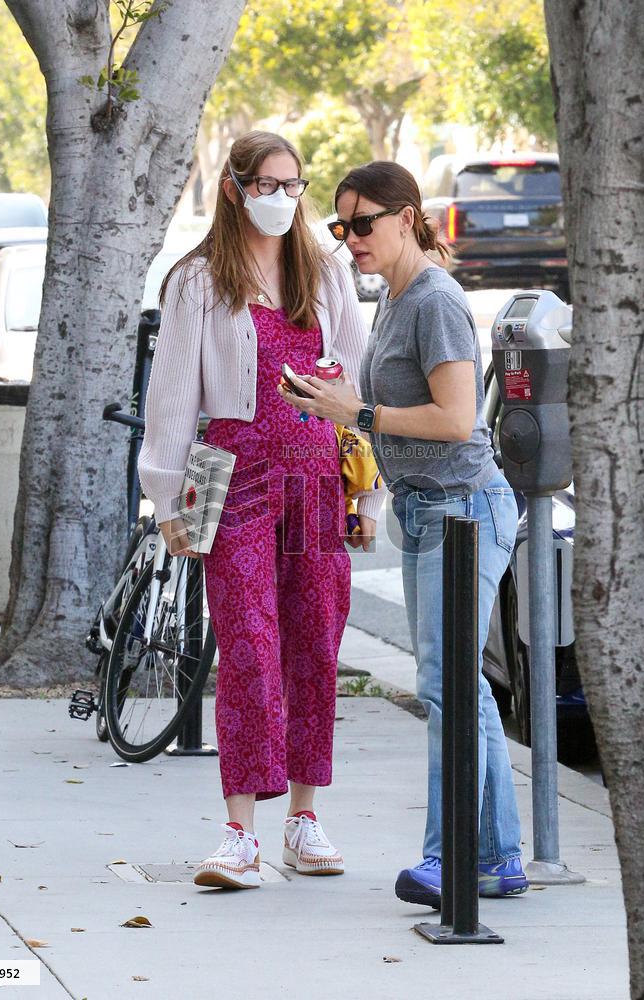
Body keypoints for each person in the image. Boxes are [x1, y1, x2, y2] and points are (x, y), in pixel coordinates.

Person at [137, 132, 385, 891]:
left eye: (293, 184)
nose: (283, 197)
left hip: (316, 480)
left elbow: (355, 386)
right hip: (230, 476)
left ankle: (304, 820)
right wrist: (167, 497)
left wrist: (367, 492)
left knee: (314, 642)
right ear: (236, 188)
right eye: (268, 183)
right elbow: (174, 397)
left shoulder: (326, 274)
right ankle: (239, 830)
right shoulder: (197, 281)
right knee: (246, 644)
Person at [278, 160, 528, 904]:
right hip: (427, 511)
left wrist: (353, 414)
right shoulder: (393, 298)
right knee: (456, 689)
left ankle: (457, 858)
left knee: (448, 688)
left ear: (408, 217)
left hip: (464, 510)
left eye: (363, 223)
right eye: (341, 225)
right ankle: (494, 855)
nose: (350, 237)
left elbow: (456, 421)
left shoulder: (435, 303)